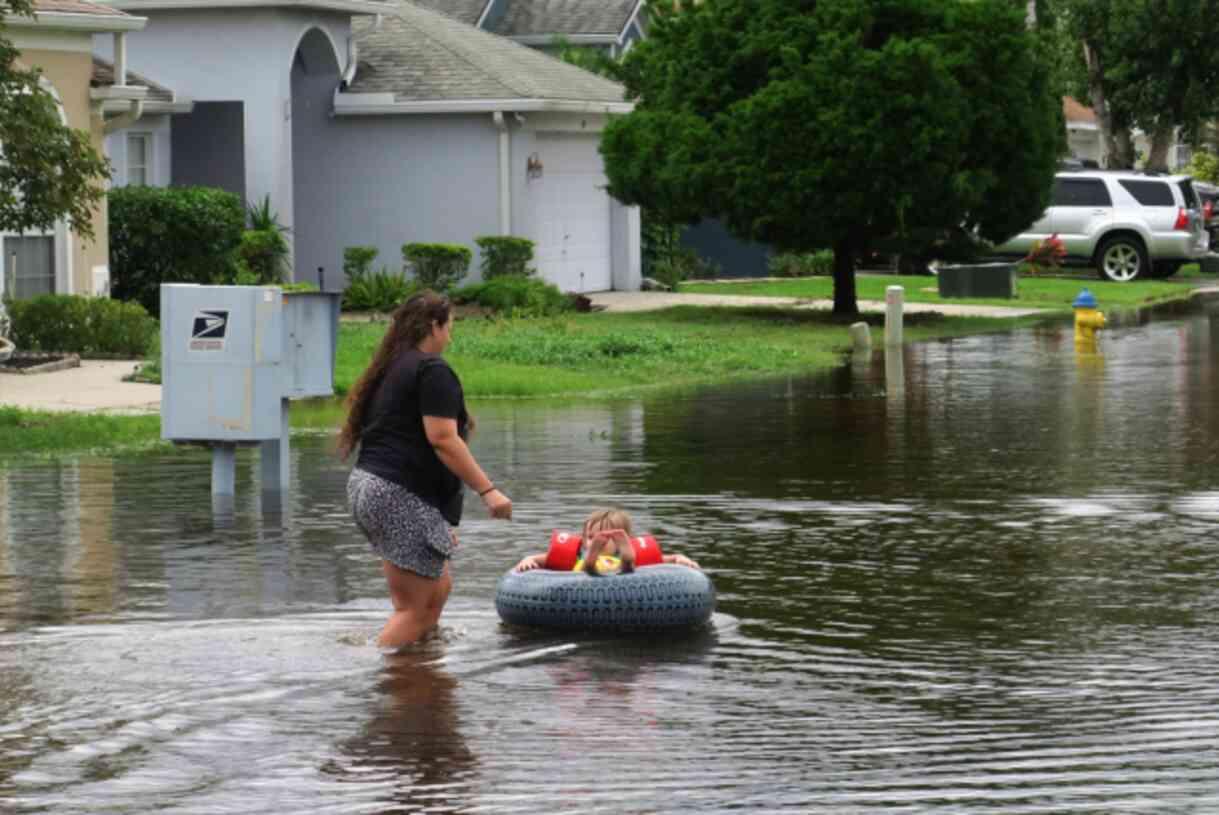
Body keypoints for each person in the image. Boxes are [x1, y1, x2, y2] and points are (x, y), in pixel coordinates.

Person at [338, 290, 512, 648]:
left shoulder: (390, 369)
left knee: (438, 589)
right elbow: (443, 439)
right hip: (395, 492)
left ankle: (420, 677)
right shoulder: (431, 370)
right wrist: (488, 491)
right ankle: (388, 682)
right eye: (449, 327)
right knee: (413, 608)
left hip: (372, 488)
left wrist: (433, 519)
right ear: (434, 326)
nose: (450, 335)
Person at [513, 508, 700, 575]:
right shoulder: (574, 553)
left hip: (623, 574)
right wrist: (528, 560)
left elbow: (669, 559)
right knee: (588, 568)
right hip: (584, 576)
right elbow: (537, 560)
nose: (599, 540)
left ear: (621, 540)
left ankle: (627, 559)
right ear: (583, 538)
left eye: (606, 537)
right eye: (591, 537)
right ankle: (591, 560)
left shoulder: (635, 554)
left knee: (628, 568)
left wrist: (679, 558)